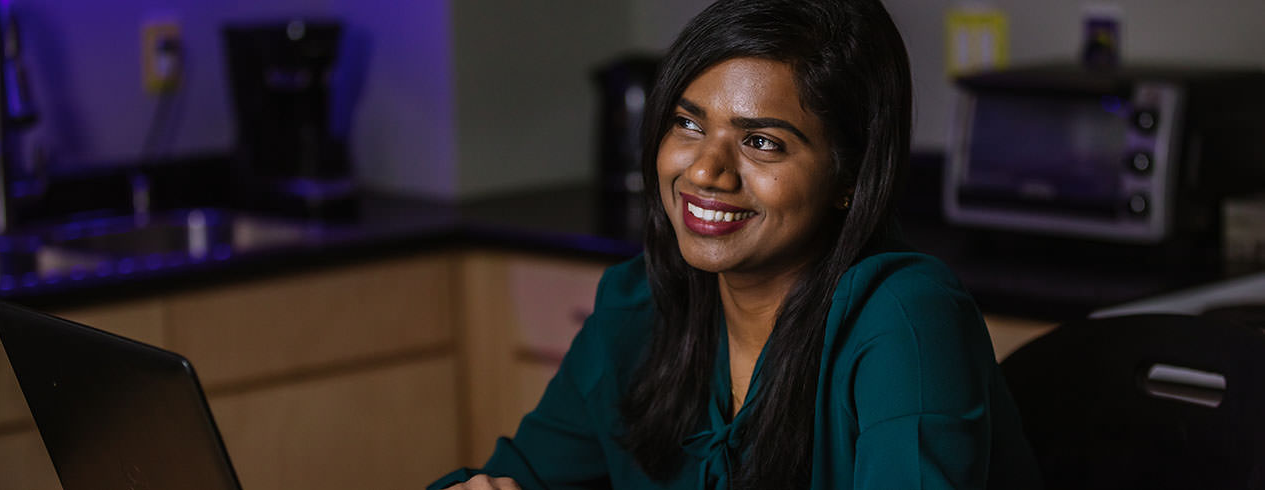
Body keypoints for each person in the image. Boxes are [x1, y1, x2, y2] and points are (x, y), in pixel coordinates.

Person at [430, 0, 1042, 488]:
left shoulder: (904, 318)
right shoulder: (638, 307)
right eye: (688, 124)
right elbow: (514, 477)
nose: (705, 171)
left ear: (850, 179)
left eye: (763, 143)